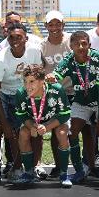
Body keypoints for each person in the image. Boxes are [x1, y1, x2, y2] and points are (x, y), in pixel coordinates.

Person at [54, 31, 99, 185]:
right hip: (81, 102)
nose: (81, 47)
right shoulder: (68, 60)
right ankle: (80, 171)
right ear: (71, 46)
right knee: (72, 132)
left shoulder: (98, 59)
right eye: (77, 44)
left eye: (84, 43)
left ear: (89, 44)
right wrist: (51, 78)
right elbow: (56, 76)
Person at [0, 23, 43, 184]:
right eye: (11, 37)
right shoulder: (0, 58)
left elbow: (37, 77)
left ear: (26, 38)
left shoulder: (33, 51)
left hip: (24, 94)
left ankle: (19, 168)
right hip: (2, 95)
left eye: (19, 37)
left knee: (24, 130)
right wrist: (4, 122)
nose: (15, 40)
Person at [15, 64, 72, 188]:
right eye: (25, 81)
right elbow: (22, 116)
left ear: (42, 81)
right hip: (34, 121)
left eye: (31, 81)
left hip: (55, 120)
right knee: (23, 133)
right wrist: (32, 127)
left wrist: (46, 126)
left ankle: (64, 174)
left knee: (62, 133)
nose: (27, 86)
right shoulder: (20, 93)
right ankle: (29, 173)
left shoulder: (56, 89)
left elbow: (64, 115)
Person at [40, 10, 72, 178]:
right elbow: (40, 68)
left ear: (63, 25)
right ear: (46, 26)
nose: (54, 27)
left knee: (81, 129)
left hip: (73, 90)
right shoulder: (42, 46)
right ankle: (59, 166)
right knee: (55, 129)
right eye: (51, 24)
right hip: (53, 93)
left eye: (57, 24)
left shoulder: (70, 41)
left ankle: (86, 165)